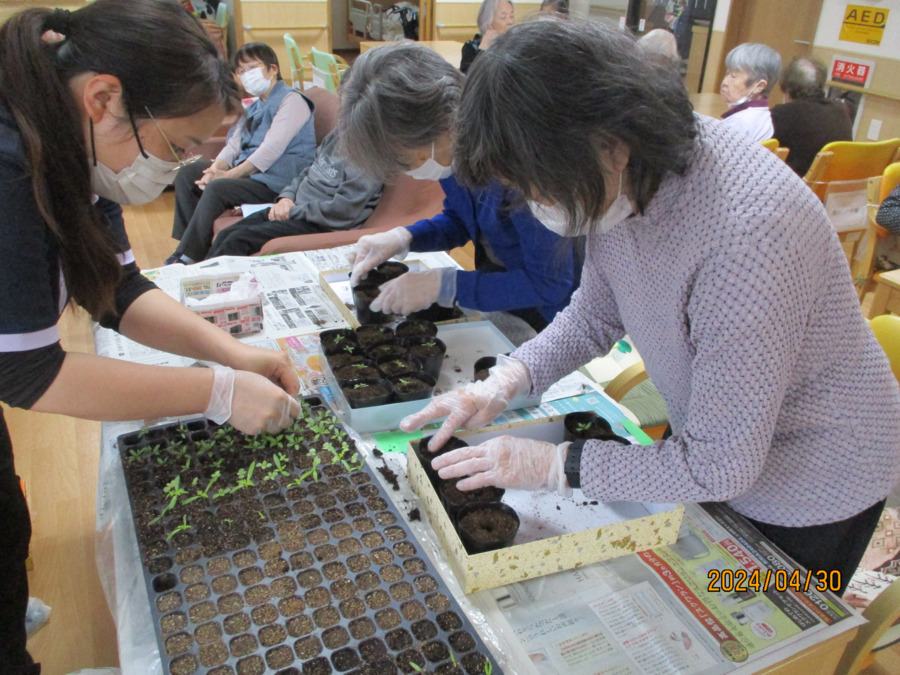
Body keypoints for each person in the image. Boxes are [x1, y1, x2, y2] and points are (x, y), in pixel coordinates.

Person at [401, 18, 900, 594]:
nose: (537, 204)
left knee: (766, 613)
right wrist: (509, 378)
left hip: (816, 481)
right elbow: (594, 313)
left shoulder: (746, 238)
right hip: (720, 444)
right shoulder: (626, 177)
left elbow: (721, 466)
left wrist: (556, 467)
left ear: (609, 141)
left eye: (540, 187)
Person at [0, 2, 302, 671]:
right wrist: (215, 391)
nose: (180, 167)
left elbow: (117, 290)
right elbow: (27, 372)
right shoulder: (11, 168)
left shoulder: (72, 140)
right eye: (175, 147)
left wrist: (231, 352)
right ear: (103, 97)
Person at [338, 43, 580, 344]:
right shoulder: (450, 152)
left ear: (445, 121)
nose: (407, 171)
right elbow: (462, 220)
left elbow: (550, 285)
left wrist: (444, 285)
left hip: (550, 316)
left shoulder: (522, 168)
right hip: (498, 290)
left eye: (404, 160)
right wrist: (405, 237)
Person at [167, 42, 317, 263]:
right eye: (241, 71)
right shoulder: (254, 106)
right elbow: (234, 145)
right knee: (189, 173)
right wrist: (215, 169)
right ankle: (190, 248)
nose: (247, 75)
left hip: (277, 182)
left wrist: (227, 176)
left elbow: (270, 150)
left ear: (272, 69)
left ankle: (187, 256)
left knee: (219, 187)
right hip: (252, 177)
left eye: (252, 68)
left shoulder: (292, 100)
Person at [206, 129, 383, 258]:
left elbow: (342, 211)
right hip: (294, 210)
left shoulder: (368, 155)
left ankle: (210, 300)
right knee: (226, 234)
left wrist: (291, 211)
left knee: (237, 240)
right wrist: (286, 198)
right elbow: (307, 172)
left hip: (319, 223)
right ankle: (196, 287)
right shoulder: (338, 134)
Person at [770, 57, 853, 177]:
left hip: (794, 188)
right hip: (827, 188)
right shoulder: (840, 110)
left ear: (787, 85)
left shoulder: (783, 114)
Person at [719, 42, 782, 142]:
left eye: (734, 76)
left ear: (759, 86)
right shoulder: (764, 116)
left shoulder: (738, 123)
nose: (725, 82)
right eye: (727, 73)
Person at [460, 0, 515, 74]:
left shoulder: (516, 46)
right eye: (503, 17)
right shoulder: (471, 47)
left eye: (512, 16)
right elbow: (469, 80)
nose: (510, 22)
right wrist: (483, 49)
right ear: (488, 22)